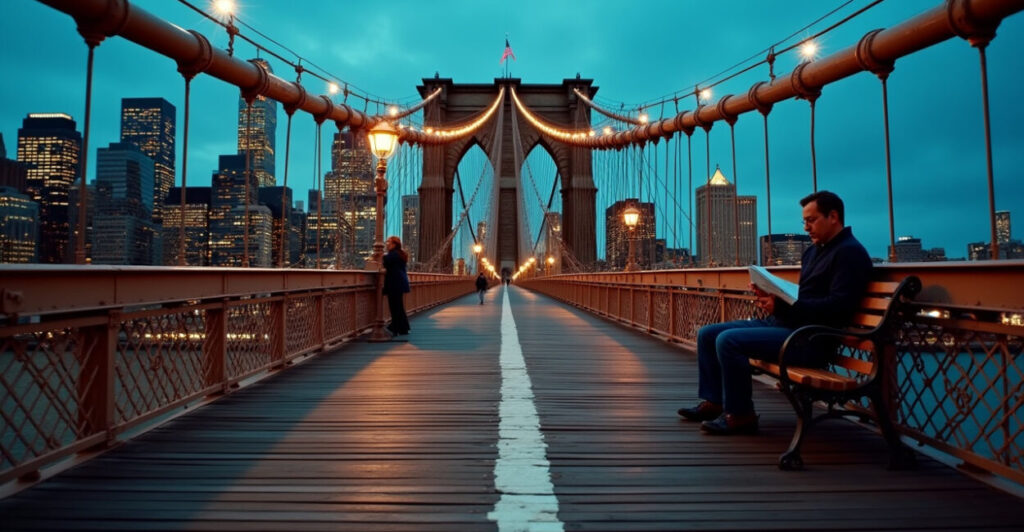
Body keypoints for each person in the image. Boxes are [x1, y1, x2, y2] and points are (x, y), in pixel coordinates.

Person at [677, 190, 872, 434]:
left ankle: (741, 415)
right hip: (787, 325)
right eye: (804, 221)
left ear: (833, 217)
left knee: (728, 340)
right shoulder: (814, 251)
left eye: (811, 220)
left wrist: (781, 306)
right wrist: (772, 297)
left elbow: (837, 309)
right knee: (707, 334)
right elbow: (806, 297)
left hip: (811, 339)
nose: (806, 227)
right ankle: (714, 402)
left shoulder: (849, 253)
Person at [382, 236, 410, 337]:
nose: (386, 244)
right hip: (400, 283)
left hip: (394, 283)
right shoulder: (400, 254)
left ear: (394, 244)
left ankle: (395, 327)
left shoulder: (393, 255)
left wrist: (381, 256)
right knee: (398, 306)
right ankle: (403, 328)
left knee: (395, 307)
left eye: (388, 242)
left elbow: (385, 262)